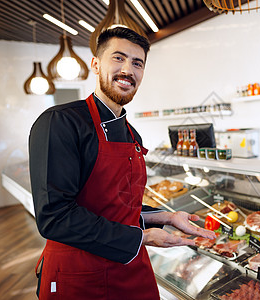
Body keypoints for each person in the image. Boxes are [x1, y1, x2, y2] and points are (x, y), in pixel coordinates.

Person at [29, 27, 215, 300]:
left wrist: (166, 217)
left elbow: (117, 206)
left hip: (129, 270)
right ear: (95, 64)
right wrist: (143, 237)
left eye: (137, 63)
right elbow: (55, 217)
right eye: (118, 58)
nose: (128, 69)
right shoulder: (61, 122)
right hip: (79, 274)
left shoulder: (131, 134)